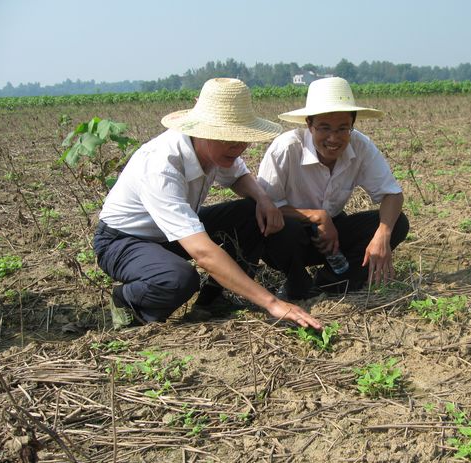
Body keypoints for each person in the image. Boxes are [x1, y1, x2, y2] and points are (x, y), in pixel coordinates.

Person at [93, 78, 321, 330]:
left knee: (250, 212)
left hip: (168, 235)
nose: (238, 146)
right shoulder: (161, 166)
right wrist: (272, 303)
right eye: (228, 138)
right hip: (124, 241)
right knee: (177, 279)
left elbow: (239, 177)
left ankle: (212, 300)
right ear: (203, 130)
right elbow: (201, 252)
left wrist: (263, 199)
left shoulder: (215, 149)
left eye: (243, 137)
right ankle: (126, 299)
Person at [257, 77, 409, 299]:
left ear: (352, 126)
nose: (333, 138)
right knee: (285, 230)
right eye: (324, 128)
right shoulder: (286, 149)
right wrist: (316, 216)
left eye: (342, 129)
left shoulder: (360, 146)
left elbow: (392, 195)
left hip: (332, 237)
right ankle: (296, 281)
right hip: (290, 238)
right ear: (309, 125)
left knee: (397, 223)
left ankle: (330, 282)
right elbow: (264, 208)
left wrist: (382, 236)